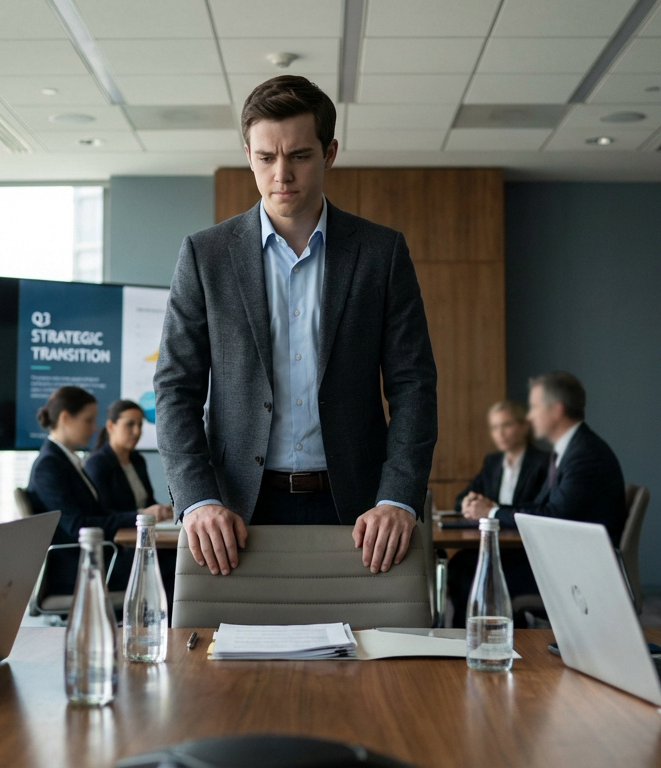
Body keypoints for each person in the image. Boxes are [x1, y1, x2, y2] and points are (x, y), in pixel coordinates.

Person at [154, 74, 438, 577]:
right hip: (235, 512)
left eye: (299, 156)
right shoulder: (205, 255)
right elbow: (176, 388)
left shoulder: (380, 253)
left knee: (363, 655)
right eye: (266, 158)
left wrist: (398, 496)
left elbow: (413, 384)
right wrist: (196, 498)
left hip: (360, 514)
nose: (281, 174)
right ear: (249, 155)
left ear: (329, 153)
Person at [448, 372, 626, 625]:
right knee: (464, 563)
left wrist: (492, 513)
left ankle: (487, 643)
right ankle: (473, 641)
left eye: (534, 407)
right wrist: (493, 509)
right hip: (562, 557)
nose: (529, 416)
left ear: (556, 411)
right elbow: (542, 507)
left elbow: (553, 515)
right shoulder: (571, 450)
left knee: (473, 571)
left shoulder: (585, 455)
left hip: (575, 569)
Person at [26, 387, 171, 597]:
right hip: (79, 568)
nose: (94, 428)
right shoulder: (49, 466)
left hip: (94, 559)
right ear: (65, 418)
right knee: (170, 562)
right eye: (88, 420)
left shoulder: (66, 461)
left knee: (168, 558)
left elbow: (98, 514)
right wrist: (139, 516)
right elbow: (77, 526)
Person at [453, 400, 550, 518]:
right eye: (494, 427)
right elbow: (459, 500)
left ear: (524, 426)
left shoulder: (544, 462)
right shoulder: (492, 462)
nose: (500, 433)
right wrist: (468, 502)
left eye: (507, 425)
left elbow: (538, 509)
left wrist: (492, 509)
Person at [84, 400, 171, 518]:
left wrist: (162, 510)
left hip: (141, 529)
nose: (137, 432)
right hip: (117, 534)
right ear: (110, 427)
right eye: (130, 424)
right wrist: (141, 514)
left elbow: (148, 502)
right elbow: (102, 514)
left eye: (140, 425)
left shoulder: (138, 460)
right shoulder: (96, 464)